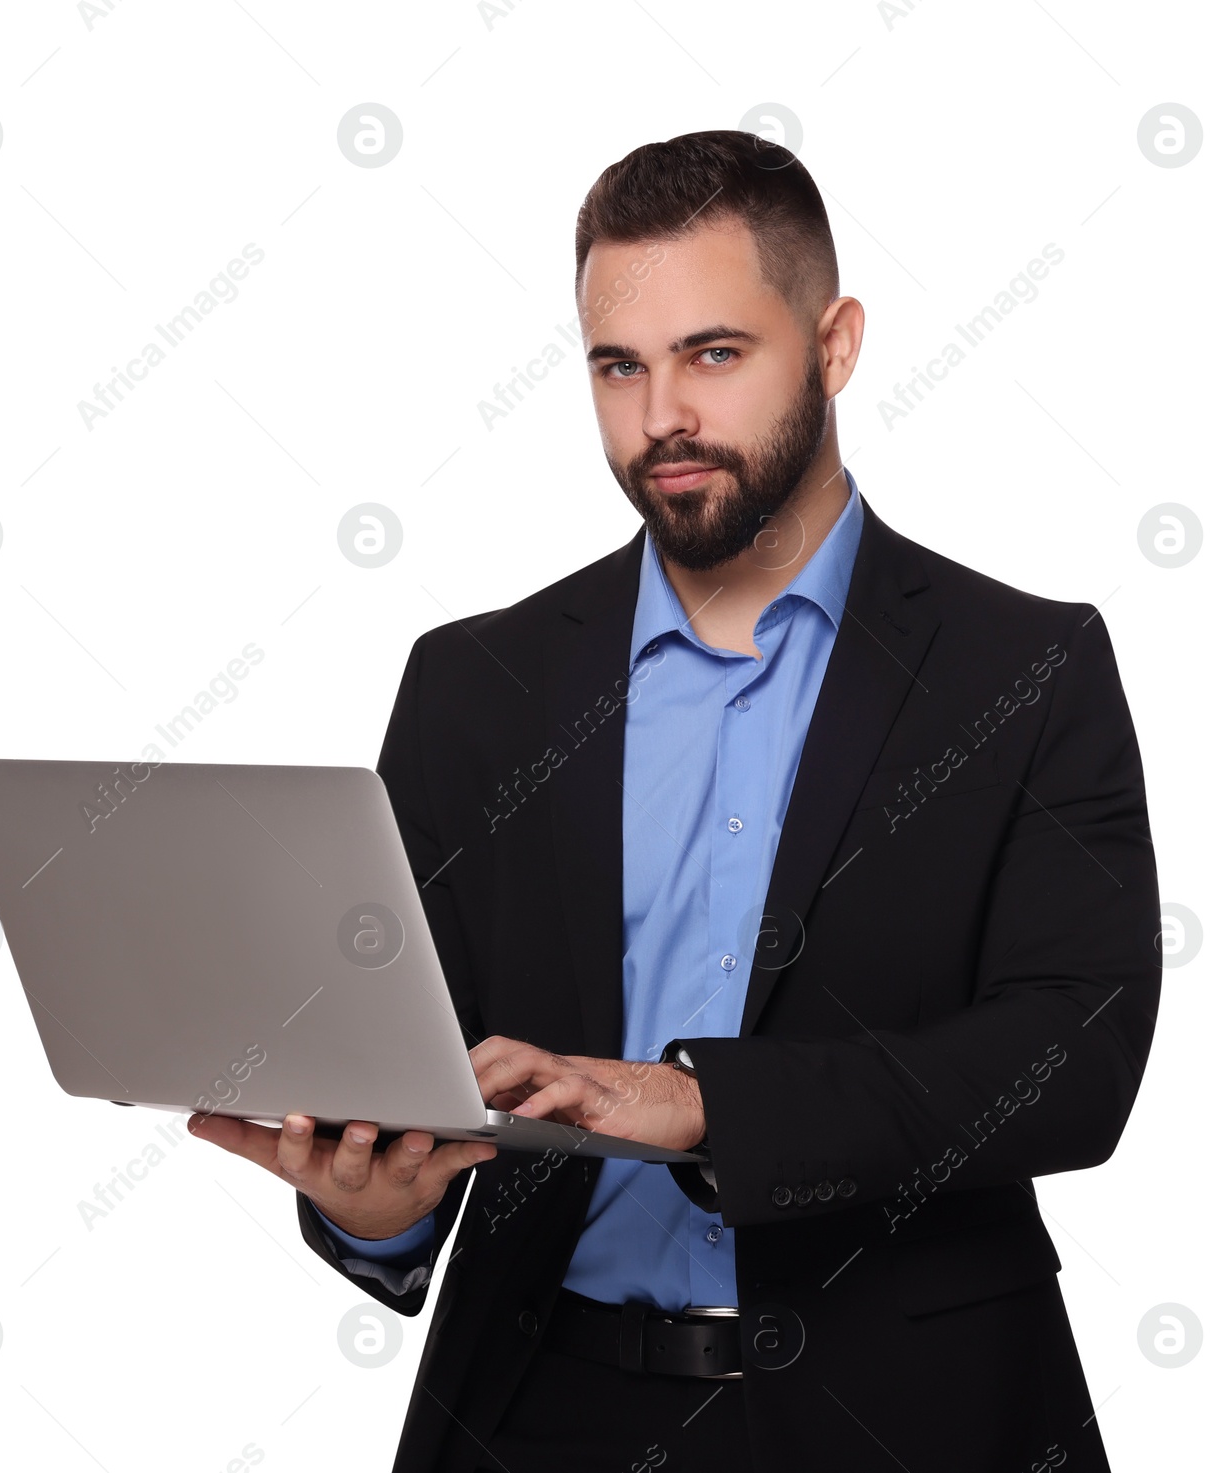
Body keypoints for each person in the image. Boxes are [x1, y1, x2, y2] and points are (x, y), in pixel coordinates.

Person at [191, 129, 1160, 1472]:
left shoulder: (1025, 669)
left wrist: (707, 1103)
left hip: (916, 1417)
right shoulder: (478, 683)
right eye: (617, 366)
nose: (660, 420)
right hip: (541, 1408)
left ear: (834, 346)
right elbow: (409, 1049)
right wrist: (375, 1204)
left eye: (714, 354)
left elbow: (1072, 1061)